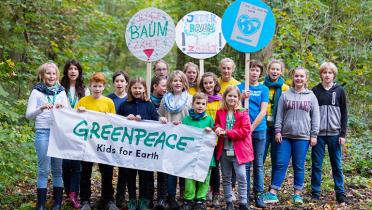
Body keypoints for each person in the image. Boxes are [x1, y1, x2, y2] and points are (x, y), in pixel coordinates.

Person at [263, 67, 320, 205]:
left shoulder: (311, 96)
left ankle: (297, 195)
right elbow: (279, 115)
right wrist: (277, 131)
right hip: (285, 137)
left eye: (301, 76)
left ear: (306, 78)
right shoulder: (286, 95)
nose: (299, 79)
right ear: (293, 78)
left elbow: (316, 117)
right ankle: (273, 193)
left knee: (299, 165)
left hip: (303, 137)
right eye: (296, 76)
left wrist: (314, 135)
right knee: (280, 163)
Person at [26, 62, 69, 210]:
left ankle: (57, 204)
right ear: (42, 75)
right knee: (43, 169)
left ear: (57, 75)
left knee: (58, 170)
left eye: (54, 73)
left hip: (58, 134)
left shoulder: (62, 92)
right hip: (43, 132)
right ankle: (41, 204)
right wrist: (41, 108)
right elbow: (28, 115)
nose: (51, 76)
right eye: (48, 73)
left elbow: (69, 114)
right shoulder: (37, 91)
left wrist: (63, 109)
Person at [75, 72, 118, 210]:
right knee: (85, 172)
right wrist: (78, 112)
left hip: (104, 143)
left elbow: (114, 122)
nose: (97, 88)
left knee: (107, 172)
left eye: (100, 86)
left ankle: (108, 200)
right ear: (90, 86)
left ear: (104, 87)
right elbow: (74, 120)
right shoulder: (83, 101)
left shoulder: (108, 102)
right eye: (95, 86)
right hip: (87, 144)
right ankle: (85, 201)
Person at [117, 77, 159, 210]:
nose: (137, 90)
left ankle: (143, 200)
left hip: (145, 148)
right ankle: (132, 200)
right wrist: (125, 119)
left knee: (144, 175)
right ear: (130, 89)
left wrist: (144, 120)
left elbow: (156, 122)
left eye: (140, 88)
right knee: (130, 174)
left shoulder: (149, 105)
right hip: (128, 148)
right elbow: (117, 123)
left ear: (145, 89)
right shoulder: (124, 105)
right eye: (134, 88)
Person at [311, 62, 348, 204]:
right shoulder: (315, 90)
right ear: (321, 74)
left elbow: (344, 113)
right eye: (324, 72)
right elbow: (311, 113)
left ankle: (340, 193)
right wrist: (312, 133)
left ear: (334, 75)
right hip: (318, 135)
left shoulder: (339, 91)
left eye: (330, 73)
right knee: (317, 164)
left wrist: (343, 134)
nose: (327, 75)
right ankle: (315, 192)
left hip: (334, 134)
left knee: (337, 164)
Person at [214, 86, 253, 210]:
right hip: (225, 150)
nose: (232, 98)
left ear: (238, 98)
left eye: (235, 96)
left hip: (238, 151)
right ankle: (229, 202)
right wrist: (218, 129)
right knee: (226, 176)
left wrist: (227, 133)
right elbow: (216, 124)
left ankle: (243, 202)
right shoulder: (220, 112)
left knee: (241, 176)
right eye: (229, 95)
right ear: (225, 97)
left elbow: (245, 131)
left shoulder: (243, 112)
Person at [159, 70, 192, 209]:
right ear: (170, 84)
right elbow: (160, 115)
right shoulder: (165, 99)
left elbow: (195, 117)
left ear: (184, 83)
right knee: (171, 170)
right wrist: (161, 119)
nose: (177, 83)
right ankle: (171, 197)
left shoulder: (190, 98)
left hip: (185, 139)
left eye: (180, 80)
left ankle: (185, 196)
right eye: (174, 80)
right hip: (169, 139)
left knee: (183, 169)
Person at [238, 60, 269, 208]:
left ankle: (259, 195)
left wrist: (251, 127)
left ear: (260, 73)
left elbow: (263, 111)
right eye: (252, 69)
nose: (254, 72)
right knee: (245, 164)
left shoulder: (264, 89)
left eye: (257, 70)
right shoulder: (239, 87)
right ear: (247, 71)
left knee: (258, 164)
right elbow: (231, 104)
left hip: (259, 130)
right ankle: (245, 195)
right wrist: (241, 97)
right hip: (241, 131)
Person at [60, 60, 90, 209]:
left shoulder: (85, 90)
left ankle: (73, 194)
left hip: (79, 131)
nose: (73, 71)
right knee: (65, 164)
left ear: (79, 72)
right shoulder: (60, 89)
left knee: (77, 165)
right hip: (63, 130)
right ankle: (67, 190)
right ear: (66, 71)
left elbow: (91, 110)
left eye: (75, 69)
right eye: (70, 69)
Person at [181, 93, 215, 210]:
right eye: (198, 103)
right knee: (189, 177)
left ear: (206, 105)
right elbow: (182, 135)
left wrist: (210, 130)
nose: (200, 106)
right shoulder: (186, 119)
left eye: (203, 104)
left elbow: (215, 136)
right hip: (190, 155)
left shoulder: (209, 120)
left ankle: (200, 199)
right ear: (193, 104)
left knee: (204, 178)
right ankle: (188, 199)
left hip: (205, 156)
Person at [106, 71, 129, 208]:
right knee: (107, 169)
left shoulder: (131, 99)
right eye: (117, 81)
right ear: (113, 83)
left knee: (124, 170)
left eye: (122, 81)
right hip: (109, 140)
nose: (119, 83)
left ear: (126, 82)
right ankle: (107, 197)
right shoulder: (108, 99)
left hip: (125, 140)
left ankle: (120, 196)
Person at [199, 72, 223, 207]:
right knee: (203, 167)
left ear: (215, 83)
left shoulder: (220, 100)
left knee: (214, 167)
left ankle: (215, 195)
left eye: (210, 82)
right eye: (205, 83)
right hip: (202, 139)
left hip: (217, 139)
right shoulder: (200, 99)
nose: (208, 85)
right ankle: (203, 192)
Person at [262, 59, 289, 179]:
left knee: (275, 158)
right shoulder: (262, 85)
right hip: (263, 126)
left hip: (278, 128)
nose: (275, 71)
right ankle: (258, 188)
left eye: (278, 69)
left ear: (281, 71)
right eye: (272, 69)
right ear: (268, 70)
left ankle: (272, 188)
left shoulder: (285, 89)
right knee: (260, 158)